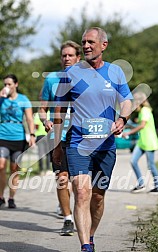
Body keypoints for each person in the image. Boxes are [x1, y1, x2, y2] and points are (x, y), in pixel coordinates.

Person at [53, 27, 132, 252]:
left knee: (97, 197)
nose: (86, 46)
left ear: (103, 45)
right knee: (82, 191)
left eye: (90, 42)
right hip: (78, 143)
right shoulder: (70, 74)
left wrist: (123, 118)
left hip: (106, 145)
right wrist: (57, 145)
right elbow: (58, 112)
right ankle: (85, 246)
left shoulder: (115, 72)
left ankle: (91, 235)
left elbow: (126, 99)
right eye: (83, 42)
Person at [39, 41, 81, 235]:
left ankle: (78, 212)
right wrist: (46, 121)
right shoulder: (51, 79)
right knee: (62, 178)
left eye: (70, 55)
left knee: (79, 182)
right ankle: (67, 218)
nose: (66, 59)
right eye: (64, 55)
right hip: (58, 135)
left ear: (78, 58)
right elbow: (42, 110)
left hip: (80, 135)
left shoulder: (85, 78)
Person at [0, 74, 35, 208]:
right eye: (5, 84)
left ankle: (11, 198)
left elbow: (30, 119)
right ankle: (0, 196)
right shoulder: (1, 98)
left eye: (9, 84)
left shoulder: (23, 99)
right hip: (2, 135)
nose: (7, 87)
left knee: (14, 168)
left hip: (18, 137)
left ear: (16, 84)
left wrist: (32, 135)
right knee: (1, 165)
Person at [122, 92, 158, 194]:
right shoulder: (142, 112)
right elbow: (141, 124)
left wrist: (129, 132)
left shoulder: (145, 110)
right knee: (133, 161)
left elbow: (142, 125)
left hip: (149, 141)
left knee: (151, 165)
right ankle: (141, 184)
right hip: (142, 142)